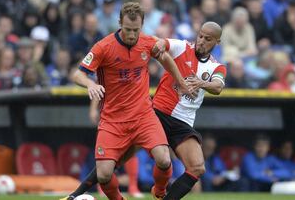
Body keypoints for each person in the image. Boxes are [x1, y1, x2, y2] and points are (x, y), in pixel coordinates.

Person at [62, 21, 226, 200]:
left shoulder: (216, 67)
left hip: (183, 122)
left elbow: (218, 87)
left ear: (217, 42)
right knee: (114, 161)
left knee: (197, 167)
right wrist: (159, 44)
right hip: (156, 114)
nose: (201, 41)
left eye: (207, 39)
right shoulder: (182, 47)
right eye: (200, 36)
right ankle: (75, 195)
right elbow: (161, 44)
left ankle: (160, 193)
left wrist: (200, 83)